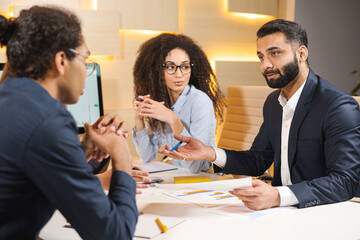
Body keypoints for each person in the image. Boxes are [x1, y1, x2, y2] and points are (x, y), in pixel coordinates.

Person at [159, 19, 360, 210]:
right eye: (261, 56)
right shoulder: (273, 102)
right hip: (281, 212)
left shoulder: (337, 105)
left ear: (302, 53)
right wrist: (210, 152)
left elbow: (346, 181)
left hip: (322, 212)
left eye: (275, 53)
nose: (265, 65)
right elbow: (258, 161)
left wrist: (279, 196)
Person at [0, 6, 141, 239]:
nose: (87, 69)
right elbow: (115, 233)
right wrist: (121, 155)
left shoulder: (11, 98)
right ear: (62, 60)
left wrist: (82, 149)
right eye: (85, 58)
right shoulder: (46, 118)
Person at [132, 33, 225, 173]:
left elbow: (196, 166)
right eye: (170, 67)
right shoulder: (161, 100)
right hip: (177, 175)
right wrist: (139, 120)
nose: (179, 74)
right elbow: (147, 156)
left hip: (203, 178)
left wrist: (173, 120)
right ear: (156, 71)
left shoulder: (200, 101)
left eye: (185, 67)